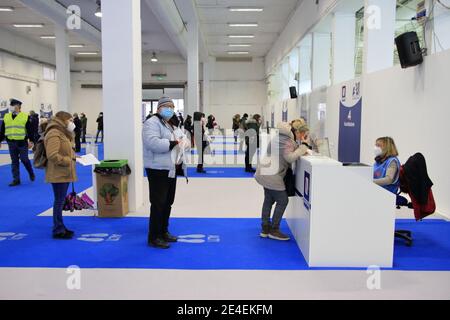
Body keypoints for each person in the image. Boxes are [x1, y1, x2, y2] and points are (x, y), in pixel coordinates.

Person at [254, 120, 311, 241]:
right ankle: (274, 230)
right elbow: (289, 158)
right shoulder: (286, 141)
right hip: (272, 175)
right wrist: (303, 147)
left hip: (265, 172)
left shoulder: (279, 137)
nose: (303, 137)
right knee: (283, 200)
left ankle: (265, 228)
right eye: (303, 134)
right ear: (296, 132)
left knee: (268, 200)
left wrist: (299, 149)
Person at [143, 96, 185, 249]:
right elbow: (152, 143)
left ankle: (164, 231)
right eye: (166, 106)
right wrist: (174, 143)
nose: (169, 109)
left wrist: (183, 143)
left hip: (170, 168)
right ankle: (154, 236)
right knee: (158, 203)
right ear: (159, 108)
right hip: (157, 169)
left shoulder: (170, 124)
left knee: (168, 202)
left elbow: (182, 138)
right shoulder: (151, 123)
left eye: (171, 107)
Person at [44, 111, 77, 239]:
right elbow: (52, 154)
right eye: (70, 120)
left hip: (63, 171)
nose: (72, 122)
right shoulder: (54, 133)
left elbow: (65, 150)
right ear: (64, 120)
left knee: (60, 200)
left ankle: (60, 226)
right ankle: (58, 229)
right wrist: (68, 160)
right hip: (58, 172)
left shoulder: (62, 132)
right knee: (59, 201)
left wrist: (73, 157)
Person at [0, 99, 35, 186]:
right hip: (11, 142)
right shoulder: (6, 116)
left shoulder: (25, 116)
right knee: (14, 161)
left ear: (18, 106)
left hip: (22, 142)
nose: (11, 107)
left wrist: (31, 141)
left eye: (13, 105)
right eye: (11, 105)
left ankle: (31, 172)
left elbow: (30, 130)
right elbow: (2, 130)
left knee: (24, 159)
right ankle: (16, 179)